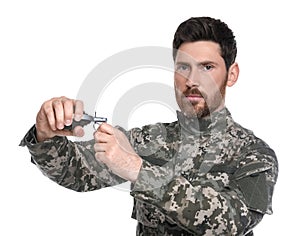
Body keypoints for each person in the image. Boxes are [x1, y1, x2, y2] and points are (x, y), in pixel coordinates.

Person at [20, 17, 278, 235]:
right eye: (183, 67)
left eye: (207, 67)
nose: (191, 80)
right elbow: (73, 172)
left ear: (231, 74)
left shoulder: (253, 153)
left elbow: (232, 222)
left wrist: (137, 169)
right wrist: (46, 133)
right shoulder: (149, 140)